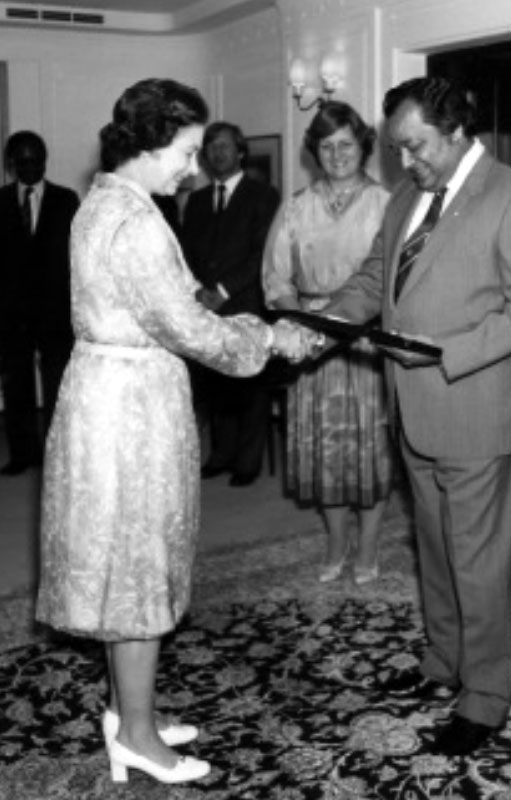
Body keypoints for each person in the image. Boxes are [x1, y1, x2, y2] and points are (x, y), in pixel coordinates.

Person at [35, 77, 312, 785]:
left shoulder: (110, 201)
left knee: (127, 568)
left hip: (113, 394)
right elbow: (191, 329)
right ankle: (136, 737)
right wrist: (269, 339)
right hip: (129, 409)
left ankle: (133, 713)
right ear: (151, 143)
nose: (193, 166)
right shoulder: (133, 220)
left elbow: (178, 297)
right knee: (138, 571)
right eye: (186, 151)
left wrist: (244, 320)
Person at [319, 77, 511, 755]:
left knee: (478, 560)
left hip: (476, 407)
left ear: (457, 131)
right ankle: (445, 661)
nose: (405, 162)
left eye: (416, 146)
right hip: (415, 410)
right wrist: (327, 321)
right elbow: (374, 281)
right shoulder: (407, 196)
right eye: (397, 148)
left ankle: (485, 696)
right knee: (435, 548)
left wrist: (442, 355)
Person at [263, 101, 399, 585]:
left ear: (363, 145)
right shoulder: (297, 206)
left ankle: (367, 548)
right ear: (314, 152)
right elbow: (276, 277)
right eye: (327, 146)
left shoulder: (388, 204)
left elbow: (399, 281)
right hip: (312, 348)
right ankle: (337, 544)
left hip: (365, 346)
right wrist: (295, 317)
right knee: (325, 454)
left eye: (346, 143)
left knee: (370, 449)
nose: (337, 154)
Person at [181, 122, 281, 486]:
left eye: (225, 146)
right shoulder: (195, 201)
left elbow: (261, 255)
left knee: (250, 385)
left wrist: (222, 290)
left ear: (240, 152)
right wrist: (198, 292)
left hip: (246, 303)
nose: (218, 153)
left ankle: (247, 462)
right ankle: (220, 455)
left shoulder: (263, 195)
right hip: (207, 308)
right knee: (216, 384)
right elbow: (186, 254)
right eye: (211, 148)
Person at [0, 131, 79, 475]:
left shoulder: (66, 200)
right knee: (16, 385)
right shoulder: (0, 201)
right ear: (11, 164)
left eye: (36, 160)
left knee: (56, 384)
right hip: (12, 313)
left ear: (45, 161)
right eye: (22, 161)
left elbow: (75, 257)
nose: (30, 167)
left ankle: (56, 454)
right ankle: (22, 454)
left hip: (55, 310)